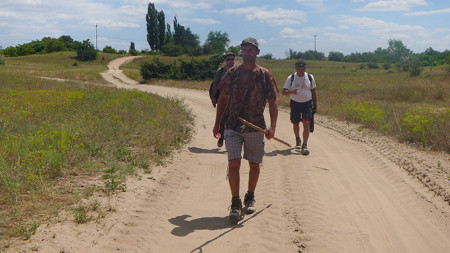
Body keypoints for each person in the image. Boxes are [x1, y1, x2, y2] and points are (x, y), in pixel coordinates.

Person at [213, 37, 279, 223]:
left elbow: (273, 100)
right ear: (241, 51)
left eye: (251, 50)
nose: (247, 53)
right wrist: (218, 122)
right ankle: (235, 202)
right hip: (232, 126)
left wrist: (272, 126)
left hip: (255, 126)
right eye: (244, 49)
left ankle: (249, 196)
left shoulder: (265, 75)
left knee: (254, 164)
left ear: (257, 52)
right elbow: (223, 98)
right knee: (234, 163)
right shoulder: (232, 73)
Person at [281, 59, 318, 155]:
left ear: (305, 69)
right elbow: (283, 92)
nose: (300, 71)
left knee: (306, 123)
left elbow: (313, 92)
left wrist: (315, 105)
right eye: (299, 69)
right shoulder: (291, 78)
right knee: (295, 123)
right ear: (296, 69)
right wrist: (291, 92)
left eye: (302, 69)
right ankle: (298, 139)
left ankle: (305, 145)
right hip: (295, 103)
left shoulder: (309, 77)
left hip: (307, 103)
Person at [210, 52, 236, 147]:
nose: (230, 61)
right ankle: (220, 137)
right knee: (222, 119)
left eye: (232, 59)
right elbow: (216, 85)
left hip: (236, 100)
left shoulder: (238, 71)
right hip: (223, 99)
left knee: (234, 121)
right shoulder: (220, 71)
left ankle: (232, 141)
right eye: (228, 59)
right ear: (225, 60)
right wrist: (213, 97)